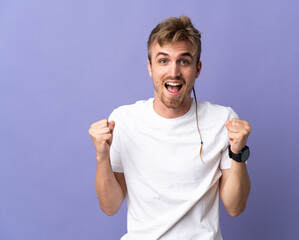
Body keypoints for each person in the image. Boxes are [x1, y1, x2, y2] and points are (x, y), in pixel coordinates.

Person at [88, 15, 251, 240]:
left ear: (197, 68)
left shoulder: (222, 120)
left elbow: (235, 207)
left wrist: (238, 153)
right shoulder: (124, 121)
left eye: (184, 61)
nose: (173, 72)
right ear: (150, 67)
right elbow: (110, 206)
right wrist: (101, 156)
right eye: (163, 60)